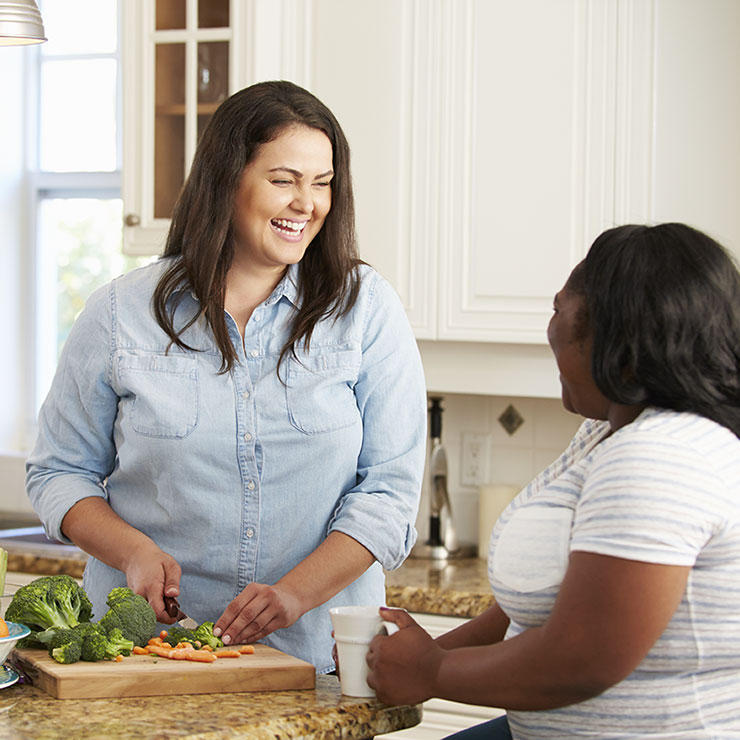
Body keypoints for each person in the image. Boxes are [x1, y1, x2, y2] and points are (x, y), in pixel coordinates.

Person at [26, 80, 427, 673]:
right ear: (226, 179)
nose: (307, 203)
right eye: (283, 179)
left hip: (319, 657)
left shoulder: (366, 310)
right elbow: (60, 472)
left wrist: (293, 596)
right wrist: (132, 551)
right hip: (145, 660)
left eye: (322, 184)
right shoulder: (119, 314)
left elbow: (389, 496)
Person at [365, 223, 740, 738]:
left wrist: (430, 672)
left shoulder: (662, 457)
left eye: (559, 310)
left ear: (616, 335)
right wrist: (424, 652)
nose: (552, 331)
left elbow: (583, 656)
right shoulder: (605, 433)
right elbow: (535, 611)